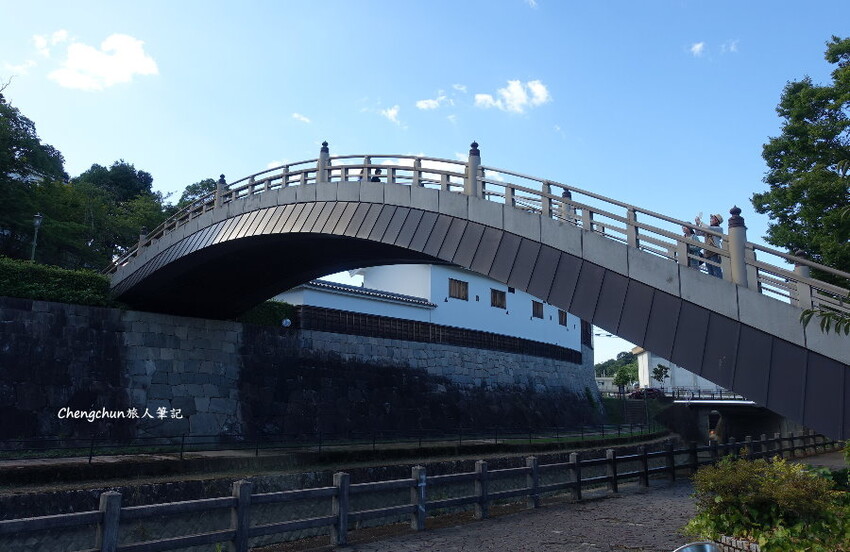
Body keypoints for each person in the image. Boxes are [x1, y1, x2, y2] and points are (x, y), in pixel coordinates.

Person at [696, 213, 724, 278]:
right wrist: (697, 224)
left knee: (716, 269)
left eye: (712, 218)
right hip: (707, 252)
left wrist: (700, 222)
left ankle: (720, 283)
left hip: (714, 252)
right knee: (710, 270)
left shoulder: (719, 229)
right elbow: (697, 233)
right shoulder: (708, 229)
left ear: (717, 221)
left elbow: (708, 228)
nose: (710, 220)